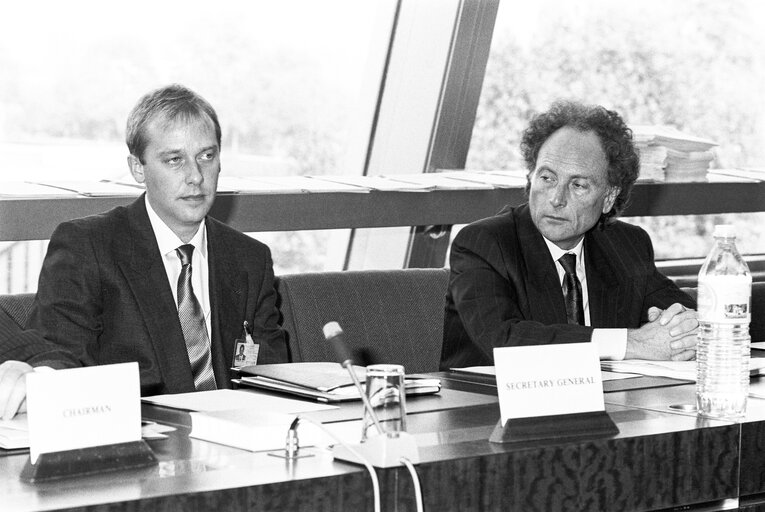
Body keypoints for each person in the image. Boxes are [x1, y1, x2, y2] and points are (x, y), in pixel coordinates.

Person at [0, 84, 288, 418]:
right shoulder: (88, 246)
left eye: (206, 156)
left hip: (242, 443)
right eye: (174, 160)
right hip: (143, 441)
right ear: (138, 168)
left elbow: (272, 376)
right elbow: (56, 354)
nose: (196, 177)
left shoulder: (250, 258)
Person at [440, 100, 698, 370]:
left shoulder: (626, 245)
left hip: (606, 403)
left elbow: (680, 310)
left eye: (578, 185)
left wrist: (677, 328)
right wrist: (633, 343)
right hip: (486, 405)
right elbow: (505, 341)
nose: (556, 199)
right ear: (530, 177)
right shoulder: (484, 244)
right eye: (547, 178)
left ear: (609, 197)